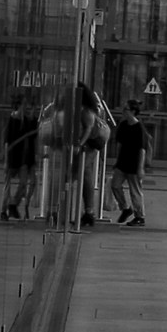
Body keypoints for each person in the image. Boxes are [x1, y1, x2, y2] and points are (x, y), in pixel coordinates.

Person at [110, 99, 152, 226]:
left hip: (134, 164)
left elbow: (142, 150)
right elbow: (119, 144)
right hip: (122, 163)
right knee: (115, 185)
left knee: (135, 191)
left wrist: (140, 168)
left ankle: (140, 216)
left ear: (133, 112)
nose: (123, 112)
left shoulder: (139, 129)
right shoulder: (123, 125)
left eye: (126, 109)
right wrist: (117, 161)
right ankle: (126, 208)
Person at [74, 81, 111, 227]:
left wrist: (79, 143)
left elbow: (88, 129)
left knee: (84, 173)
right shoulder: (86, 109)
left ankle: (89, 211)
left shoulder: (87, 111)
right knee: (85, 173)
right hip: (91, 142)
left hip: (92, 142)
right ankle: (88, 211)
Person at [0, 93, 38, 220]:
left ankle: (13, 205)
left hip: (22, 159)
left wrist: (33, 117)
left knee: (23, 184)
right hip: (12, 157)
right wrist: (6, 161)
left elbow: (32, 134)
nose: (25, 107)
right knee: (7, 186)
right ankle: (3, 210)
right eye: (24, 105)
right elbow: (7, 142)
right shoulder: (12, 120)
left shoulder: (26, 120)